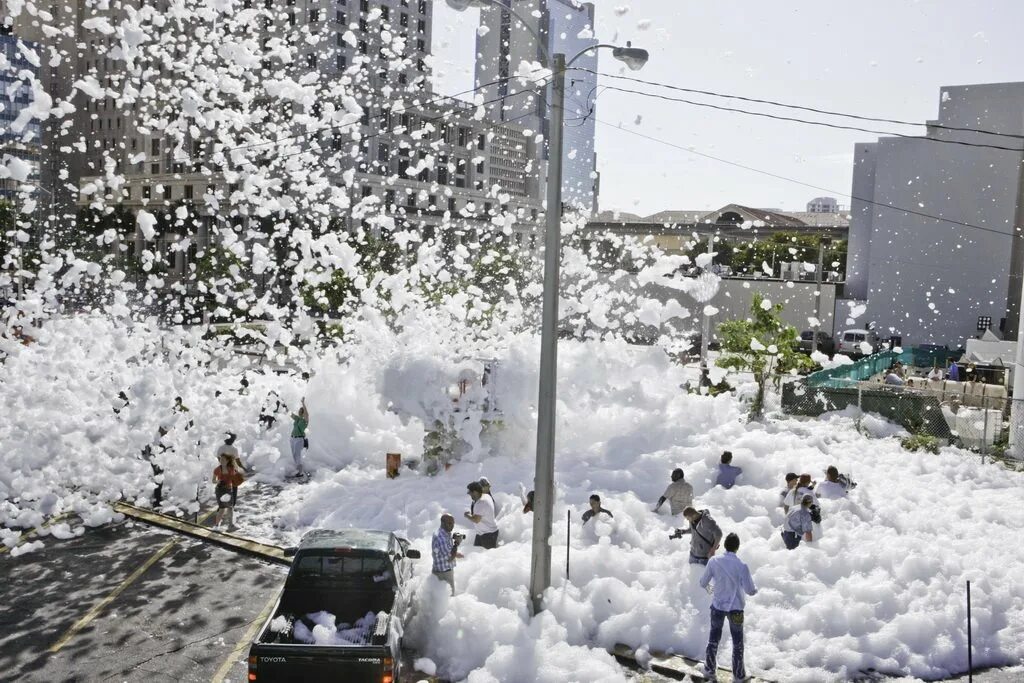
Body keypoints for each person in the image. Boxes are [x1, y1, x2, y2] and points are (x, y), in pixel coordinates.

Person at [699, 533, 757, 682]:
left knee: (713, 638)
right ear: (737, 548)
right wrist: (754, 589)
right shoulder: (742, 566)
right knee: (737, 642)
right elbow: (750, 590)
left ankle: (709, 670)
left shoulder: (714, 561)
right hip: (736, 609)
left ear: (724, 546)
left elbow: (703, 582)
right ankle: (738, 675)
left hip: (717, 606)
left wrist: (712, 591)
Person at [212, 438, 245, 530]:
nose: (221, 460)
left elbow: (236, 478)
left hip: (228, 488)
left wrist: (239, 476)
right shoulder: (218, 469)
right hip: (221, 489)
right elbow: (213, 480)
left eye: (223, 459)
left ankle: (229, 525)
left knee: (229, 507)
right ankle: (217, 525)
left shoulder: (231, 469)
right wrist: (217, 481)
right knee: (224, 508)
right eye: (221, 459)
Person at [431, 513, 463, 595]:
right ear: (442, 523)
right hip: (444, 574)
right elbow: (450, 557)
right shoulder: (441, 537)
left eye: (453, 523)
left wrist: (457, 553)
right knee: (449, 598)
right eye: (449, 523)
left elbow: (446, 551)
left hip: (439, 571)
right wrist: (456, 544)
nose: (452, 526)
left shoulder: (443, 533)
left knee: (439, 599)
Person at [464, 481, 499, 548]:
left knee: (487, 557)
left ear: (475, 492)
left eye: (470, 492)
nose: (469, 494)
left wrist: (467, 515)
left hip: (488, 535)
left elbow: (476, 520)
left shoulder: (480, 503)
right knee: (475, 553)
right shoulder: (486, 495)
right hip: (483, 533)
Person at [290, 398, 309, 476]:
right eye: (300, 411)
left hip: (299, 439)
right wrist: (283, 404)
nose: (300, 412)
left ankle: (300, 472)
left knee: (297, 455)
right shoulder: (297, 418)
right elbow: (290, 414)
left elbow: (307, 414)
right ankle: (298, 470)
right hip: (292, 438)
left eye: (302, 411)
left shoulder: (305, 420)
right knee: (294, 455)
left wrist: (303, 403)